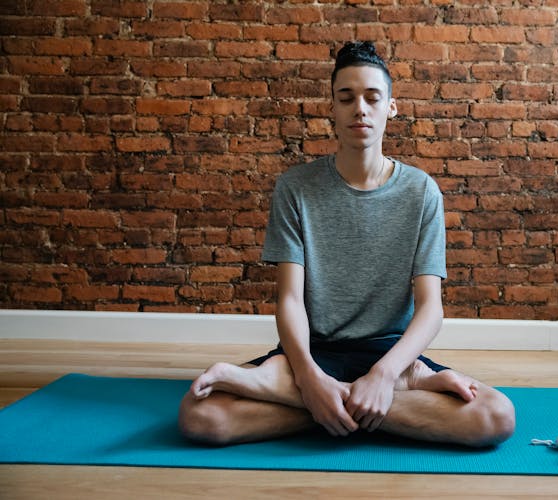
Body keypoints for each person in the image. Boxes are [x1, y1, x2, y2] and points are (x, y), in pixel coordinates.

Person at [178, 42, 515, 447]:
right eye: (346, 97)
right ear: (332, 109)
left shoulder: (421, 191)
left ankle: (323, 405)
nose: (360, 108)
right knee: (201, 418)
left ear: (391, 107)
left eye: (372, 97)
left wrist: (384, 376)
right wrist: (307, 377)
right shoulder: (296, 188)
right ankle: (356, 403)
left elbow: (430, 308)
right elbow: (289, 300)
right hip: (313, 350)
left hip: (390, 355)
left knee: (496, 417)